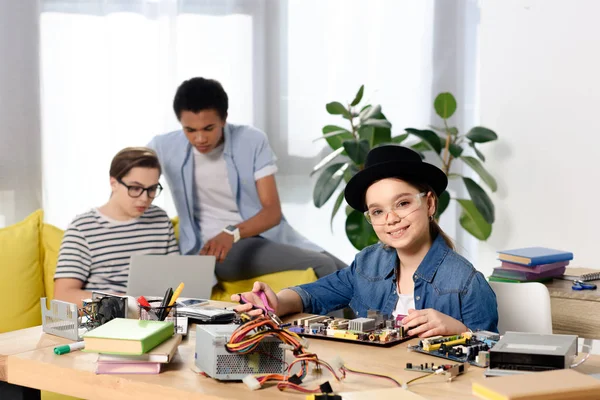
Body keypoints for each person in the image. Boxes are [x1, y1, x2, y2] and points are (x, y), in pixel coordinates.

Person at [233, 145, 499, 337]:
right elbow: (312, 295)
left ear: (429, 203)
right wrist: (276, 302)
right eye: (378, 211)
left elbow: (492, 355)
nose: (391, 219)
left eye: (403, 203)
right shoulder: (366, 265)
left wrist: (462, 332)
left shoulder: (465, 282)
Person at [148, 77, 346, 281]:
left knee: (350, 274)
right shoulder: (163, 147)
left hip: (261, 235)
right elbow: (130, 178)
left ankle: (372, 314)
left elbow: (272, 212)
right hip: (218, 250)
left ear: (224, 119)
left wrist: (231, 232)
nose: (200, 138)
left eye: (208, 128)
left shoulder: (251, 140)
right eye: (190, 130)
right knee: (324, 266)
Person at [54, 147, 178, 307]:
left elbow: (176, 278)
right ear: (114, 183)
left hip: (154, 315)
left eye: (152, 189)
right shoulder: (82, 228)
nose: (144, 198)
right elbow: (63, 295)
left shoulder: (160, 219)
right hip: (106, 318)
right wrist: (122, 301)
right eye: (135, 188)